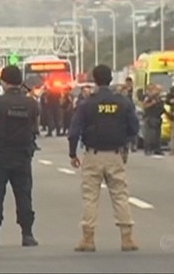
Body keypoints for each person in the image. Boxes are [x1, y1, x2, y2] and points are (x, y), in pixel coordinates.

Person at [68, 64, 139, 253]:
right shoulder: (122, 101)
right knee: (120, 195)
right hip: (116, 154)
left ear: (95, 79)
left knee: (90, 197)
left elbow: (74, 130)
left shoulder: (87, 102)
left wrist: (72, 153)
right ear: (111, 79)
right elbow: (134, 127)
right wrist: (126, 143)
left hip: (93, 154)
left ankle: (88, 239)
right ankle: (127, 238)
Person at [0, 66, 40, 248]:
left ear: (4, 81)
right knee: (24, 195)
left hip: (0, 155)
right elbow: (35, 128)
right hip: (23, 156)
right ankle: (27, 234)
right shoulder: (32, 103)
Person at [141, 84, 164, 156]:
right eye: (158, 90)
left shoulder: (159, 97)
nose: (159, 91)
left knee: (157, 134)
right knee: (150, 135)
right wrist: (152, 103)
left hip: (157, 117)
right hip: (150, 117)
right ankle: (148, 149)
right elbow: (144, 106)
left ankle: (157, 149)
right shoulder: (149, 97)